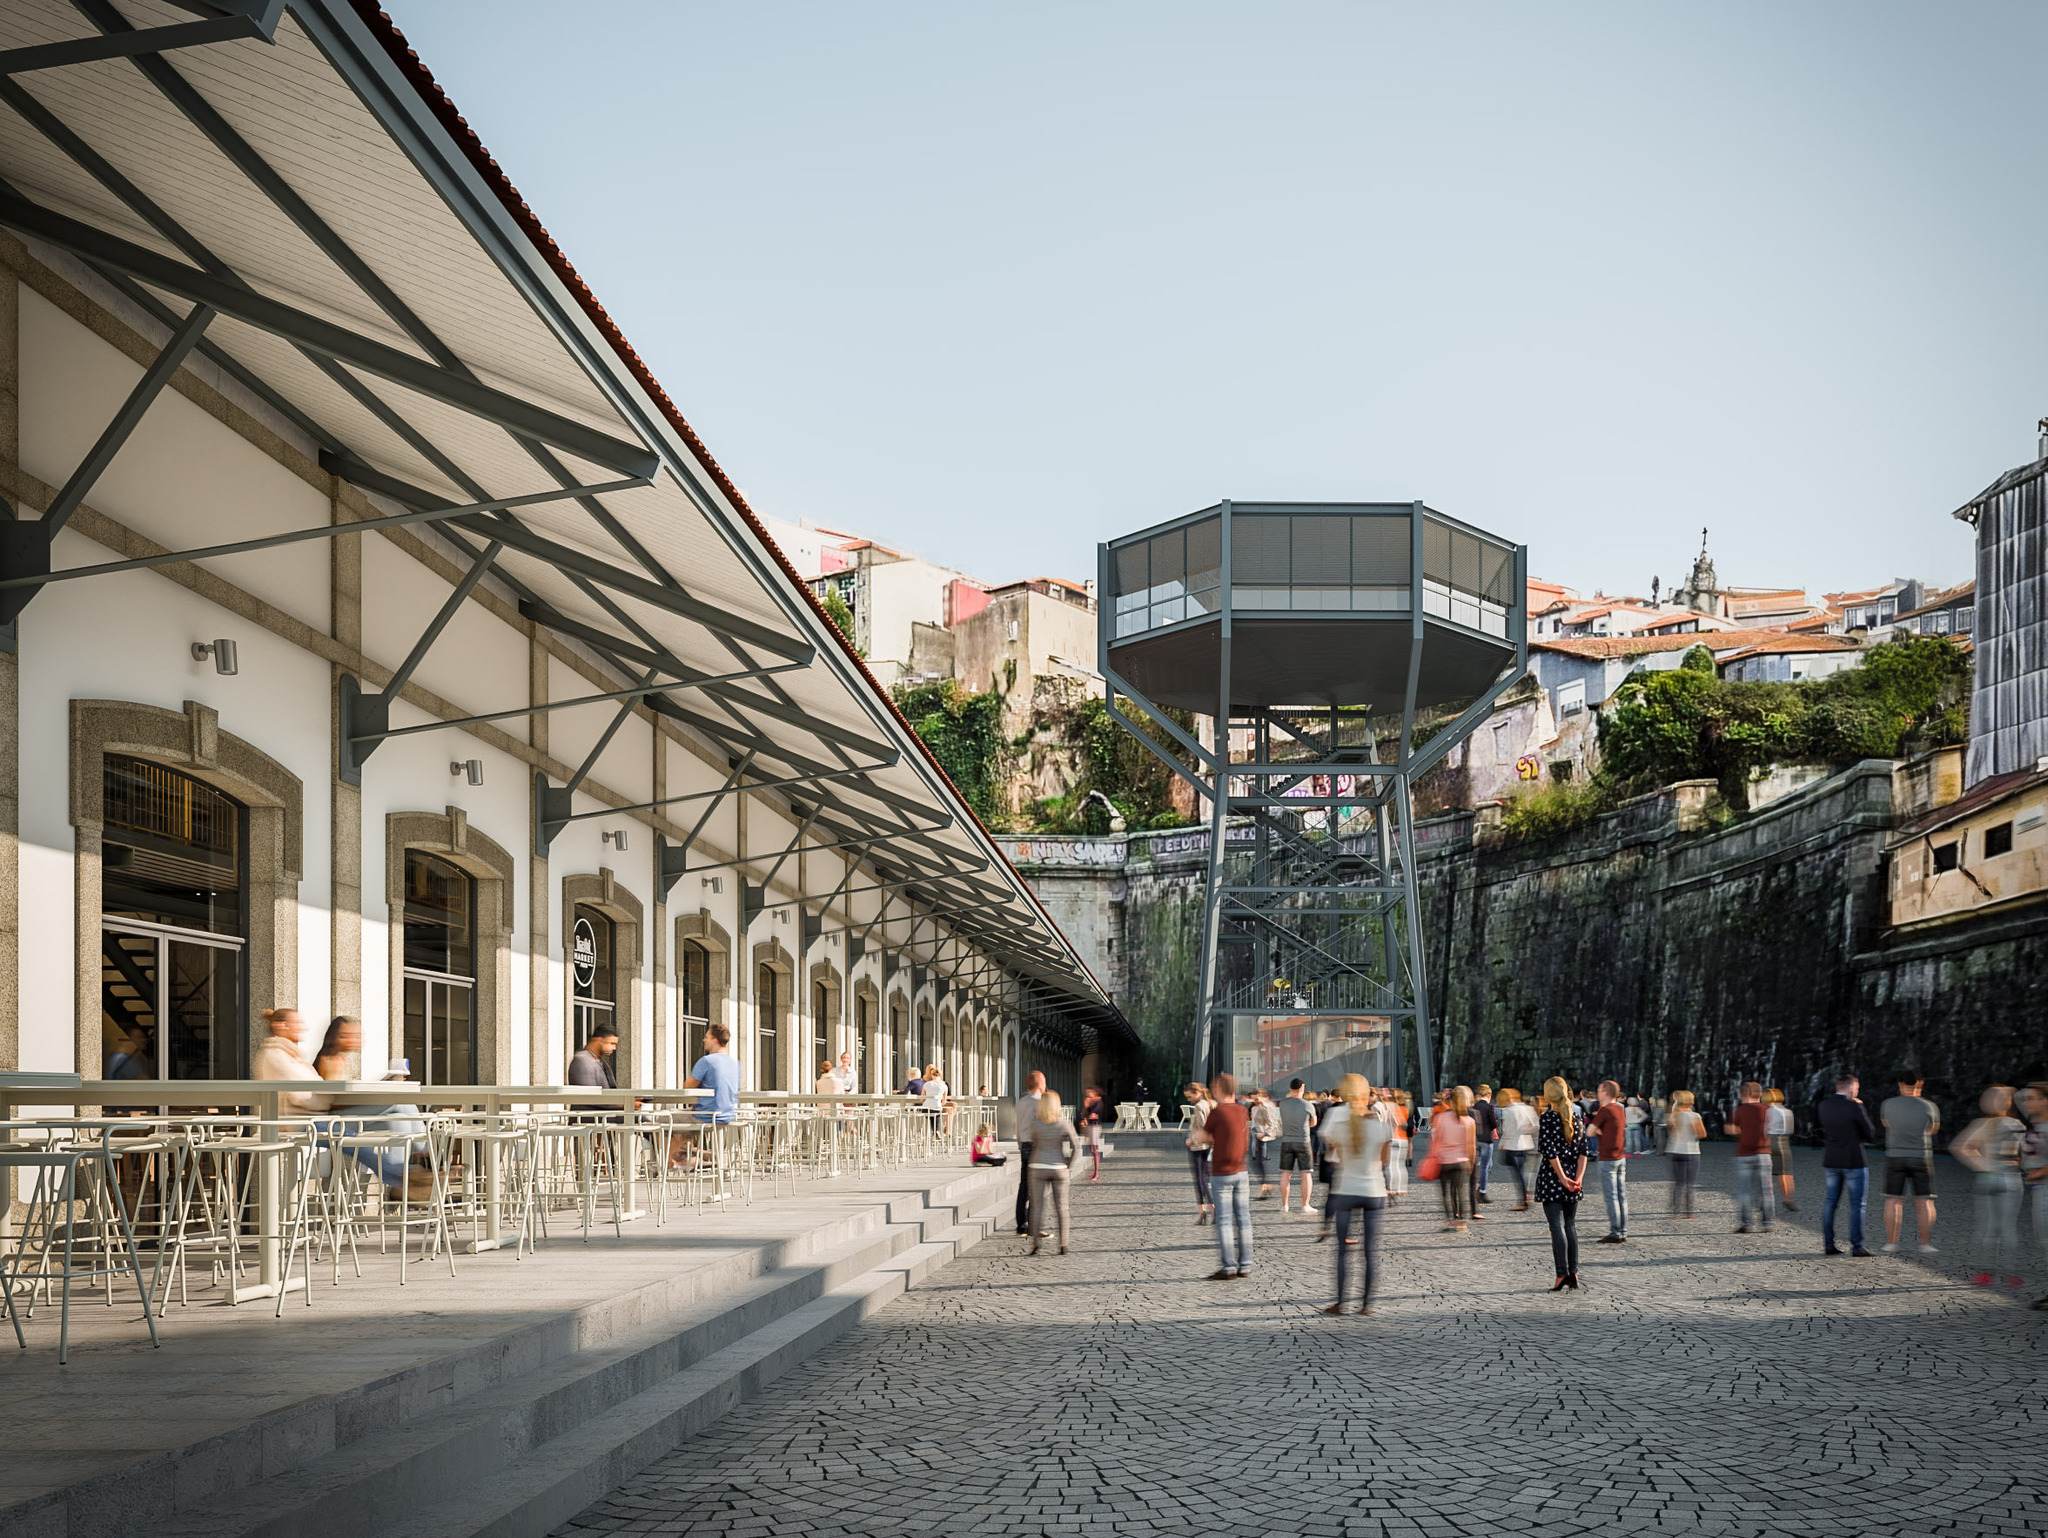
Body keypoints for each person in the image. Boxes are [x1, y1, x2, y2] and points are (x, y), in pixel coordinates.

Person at [1320, 1073, 1392, 1316]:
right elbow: (1384, 1161)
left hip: (1346, 1189)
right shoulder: (1380, 1126)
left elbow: (1334, 1157)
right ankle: (1367, 1305)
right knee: (1370, 1251)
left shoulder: (1339, 1126)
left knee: (1342, 1251)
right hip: (1374, 1190)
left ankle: (1340, 1302)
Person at [1950, 1085, 2025, 1290]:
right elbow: (2024, 1153)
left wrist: (1982, 1165)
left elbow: (1959, 1147)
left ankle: (1985, 1272)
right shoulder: (2016, 1124)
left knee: (1987, 1228)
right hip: (2012, 1177)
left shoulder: (1982, 1124)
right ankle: (2011, 1274)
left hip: (1989, 1178)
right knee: (2009, 1228)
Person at [1537, 1076, 1591, 1290]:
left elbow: (1550, 1152)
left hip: (1553, 1177)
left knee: (1556, 1227)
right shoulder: (1576, 1119)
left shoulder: (1548, 1118)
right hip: (1573, 1179)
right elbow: (1584, 1153)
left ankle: (1561, 1274)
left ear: (1547, 1095)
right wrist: (1577, 1179)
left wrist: (1562, 1178)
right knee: (1570, 1225)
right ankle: (1573, 1272)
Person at [1197, 1072, 1252, 1278]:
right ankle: (1245, 1265)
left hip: (1221, 1172)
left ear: (1219, 1089)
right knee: (1244, 1220)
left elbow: (1204, 1136)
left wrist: (1194, 1138)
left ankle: (1228, 1267)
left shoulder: (1218, 1113)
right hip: (1242, 1171)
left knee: (1224, 1220)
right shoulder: (1242, 1110)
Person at [1817, 1074, 1877, 1257]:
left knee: (1830, 1203)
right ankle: (1857, 1246)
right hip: (1853, 1161)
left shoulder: (1823, 1105)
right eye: (1857, 1088)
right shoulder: (1854, 1106)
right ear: (1851, 1088)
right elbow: (1870, 1133)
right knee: (1857, 1205)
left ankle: (1828, 1244)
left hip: (1832, 1159)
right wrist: (1860, 1107)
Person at [1880, 1072, 1939, 1253]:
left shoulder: (1888, 1104)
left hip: (1895, 1156)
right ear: (1919, 1084)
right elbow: (1933, 1129)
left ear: (1900, 1084)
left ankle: (1892, 1243)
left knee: (1893, 1200)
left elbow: (1886, 1124)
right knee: (1925, 1202)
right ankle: (1925, 1244)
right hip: (1921, 1156)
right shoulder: (1929, 1106)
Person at [1025, 1090, 1083, 1255]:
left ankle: (1036, 1243)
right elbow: (1076, 1147)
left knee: (1036, 1206)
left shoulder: (1035, 1123)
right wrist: (1068, 1165)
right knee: (1062, 1207)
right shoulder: (1063, 1123)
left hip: (1037, 1165)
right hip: (1058, 1167)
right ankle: (1063, 1244)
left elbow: (1033, 1141)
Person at [252, 1008, 326, 1116]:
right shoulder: (276, 1056)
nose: (303, 1028)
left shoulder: (293, 1057)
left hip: (308, 1119)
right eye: (298, 1023)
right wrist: (327, 1100)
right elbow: (301, 1096)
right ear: (283, 1026)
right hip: (294, 1125)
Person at [1725, 1081, 1773, 1232]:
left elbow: (1729, 1130)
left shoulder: (1738, 1110)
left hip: (1744, 1154)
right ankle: (1767, 1223)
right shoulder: (1768, 1110)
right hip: (1764, 1153)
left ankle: (1746, 1224)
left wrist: (1742, 1131)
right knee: (1766, 1190)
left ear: (1744, 1094)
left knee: (1744, 1191)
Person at [2019, 1083, 2048, 1311]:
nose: (2026, 1102)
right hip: (2038, 1189)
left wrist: (2041, 1171)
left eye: (2032, 1098)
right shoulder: (2037, 1123)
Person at [1432, 1086, 1477, 1233]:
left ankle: (1450, 1220)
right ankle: (1462, 1223)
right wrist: (1471, 1161)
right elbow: (1471, 1145)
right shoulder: (1469, 1120)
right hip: (1461, 1160)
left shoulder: (1440, 1118)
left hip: (1444, 1160)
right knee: (1460, 1190)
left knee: (1447, 1192)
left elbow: (1436, 1140)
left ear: (1449, 1101)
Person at [1591, 1080, 1629, 1244]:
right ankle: (1623, 1229)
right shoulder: (1620, 1109)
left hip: (1607, 1157)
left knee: (1611, 1196)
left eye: (1599, 1091)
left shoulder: (1604, 1111)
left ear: (1605, 1093)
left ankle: (1615, 1232)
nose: (1598, 1093)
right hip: (1620, 1157)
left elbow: (1590, 1131)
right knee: (1621, 1195)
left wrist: (1599, 1130)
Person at [1277, 1079, 1318, 1213]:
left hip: (1286, 1141)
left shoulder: (1282, 1104)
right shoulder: (1308, 1105)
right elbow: (1313, 1123)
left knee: (1285, 1173)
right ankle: (1305, 1205)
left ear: (1290, 1088)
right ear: (1302, 1088)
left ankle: (1285, 1205)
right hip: (1303, 1141)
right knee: (1306, 1174)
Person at [1496, 1087, 1539, 1210]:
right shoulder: (1528, 1108)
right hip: (1525, 1143)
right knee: (1523, 1172)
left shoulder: (1508, 1111)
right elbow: (1535, 1125)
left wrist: (1502, 1144)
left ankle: (1524, 1198)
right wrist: (1524, 1132)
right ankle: (1526, 1195)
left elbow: (1506, 1130)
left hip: (1512, 1145)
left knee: (1518, 1174)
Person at [1665, 1091, 1706, 1218]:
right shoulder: (1694, 1116)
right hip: (1691, 1151)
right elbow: (1702, 1134)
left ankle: (1675, 1210)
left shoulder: (1673, 1116)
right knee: (1690, 1183)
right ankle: (1688, 1212)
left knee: (1678, 1183)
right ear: (1691, 1101)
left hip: (1675, 1151)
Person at [1014, 1071, 1044, 1235]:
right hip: (1035, 1146)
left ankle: (1021, 1224)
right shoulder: (1039, 1103)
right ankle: (1033, 1226)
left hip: (1024, 1145)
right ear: (1040, 1083)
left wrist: (1020, 1145)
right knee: (1036, 1188)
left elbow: (1018, 1127)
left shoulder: (1021, 1102)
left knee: (1024, 1187)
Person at [567, 1025, 621, 1113]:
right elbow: (588, 1096)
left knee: (640, 1118)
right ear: (598, 1040)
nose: (614, 1048)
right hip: (590, 1116)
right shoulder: (582, 1060)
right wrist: (621, 1105)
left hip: (603, 1113)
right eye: (612, 1043)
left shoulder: (599, 1060)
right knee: (640, 1119)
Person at [1183, 1081, 1213, 1224]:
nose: (1189, 1100)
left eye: (1189, 1097)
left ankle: (1203, 1211)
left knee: (1200, 1180)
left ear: (1197, 1093)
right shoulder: (1210, 1103)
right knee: (1205, 1179)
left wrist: (1192, 1140)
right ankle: (1211, 1210)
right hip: (1206, 1147)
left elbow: (1203, 1128)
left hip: (1199, 1147)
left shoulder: (1200, 1106)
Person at [1765, 1087, 1797, 1211]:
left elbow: (1763, 1128)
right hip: (1781, 1141)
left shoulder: (1765, 1111)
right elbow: (1789, 1130)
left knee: (1765, 1172)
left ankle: (1765, 1200)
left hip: (1767, 1140)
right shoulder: (1787, 1111)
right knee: (1785, 1173)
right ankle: (1788, 1199)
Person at [1250, 1088, 1281, 1200]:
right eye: (1252, 1097)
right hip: (1254, 1136)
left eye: (1256, 1096)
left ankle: (1264, 1189)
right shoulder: (1254, 1108)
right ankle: (1266, 1186)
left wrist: (1264, 1133)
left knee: (1260, 1163)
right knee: (1255, 1164)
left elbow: (1272, 1124)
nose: (1253, 1099)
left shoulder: (1264, 1108)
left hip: (1261, 1138)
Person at [1472, 1084, 1500, 1204]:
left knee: (1478, 1165)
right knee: (1485, 1166)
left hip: (1475, 1139)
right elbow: (1494, 1124)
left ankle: (1474, 1189)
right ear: (1489, 1095)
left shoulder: (1473, 1106)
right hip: (1487, 1140)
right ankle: (1482, 1191)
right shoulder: (1490, 1107)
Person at [1079, 1086, 1108, 1182]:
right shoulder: (1090, 1102)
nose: (1087, 1096)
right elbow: (1083, 1115)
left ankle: (1096, 1172)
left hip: (1094, 1128)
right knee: (1090, 1149)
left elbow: (1092, 1114)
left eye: (1089, 1094)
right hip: (1088, 1127)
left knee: (1094, 1149)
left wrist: (1087, 1108)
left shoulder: (1098, 1103)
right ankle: (1094, 1171)